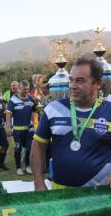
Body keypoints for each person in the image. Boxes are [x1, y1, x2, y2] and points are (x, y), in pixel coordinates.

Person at [31, 57, 111, 190]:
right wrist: (38, 182)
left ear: (97, 83)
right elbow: (38, 145)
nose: (72, 86)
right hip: (62, 195)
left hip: (100, 196)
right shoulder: (53, 109)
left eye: (80, 81)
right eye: (71, 80)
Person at [6, 80, 37, 176]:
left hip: (29, 129)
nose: (26, 91)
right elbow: (8, 113)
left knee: (29, 148)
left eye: (28, 89)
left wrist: (35, 123)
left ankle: (28, 166)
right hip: (17, 130)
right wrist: (8, 127)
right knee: (17, 149)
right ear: (19, 88)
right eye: (24, 89)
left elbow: (35, 110)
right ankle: (18, 168)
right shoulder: (13, 99)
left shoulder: (31, 99)